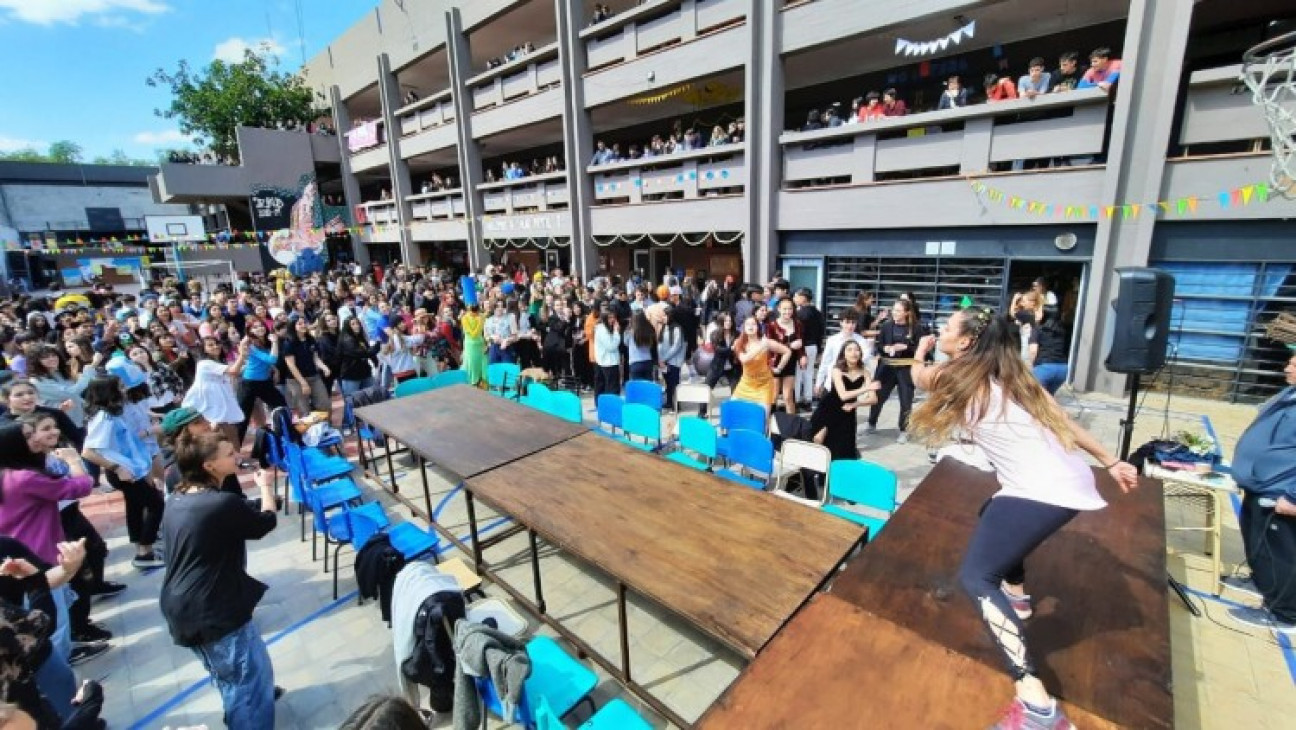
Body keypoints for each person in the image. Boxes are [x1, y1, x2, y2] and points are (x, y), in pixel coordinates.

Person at [908, 306, 1138, 730]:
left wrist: (920, 352)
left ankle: (1036, 702)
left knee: (976, 578)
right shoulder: (1017, 376)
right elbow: (1063, 420)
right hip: (1068, 483)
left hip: (1040, 490)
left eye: (947, 329)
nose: (940, 330)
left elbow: (918, 376)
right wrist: (1110, 459)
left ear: (966, 343)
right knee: (991, 510)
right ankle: (1016, 593)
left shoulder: (955, 376)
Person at [160, 430, 280, 728]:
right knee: (246, 682)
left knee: (234, 676)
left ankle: (248, 706)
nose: (236, 457)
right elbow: (265, 522)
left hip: (186, 605)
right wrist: (265, 487)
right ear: (209, 466)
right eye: (228, 455)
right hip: (212, 610)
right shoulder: (220, 503)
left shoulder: (178, 498)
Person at [1225, 353, 1296, 635]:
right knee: (1256, 539)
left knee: (1281, 552)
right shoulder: (1290, 393)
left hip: (1282, 492)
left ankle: (1285, 612)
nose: (1286, 367)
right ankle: (1263, 581)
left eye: (1294, 364)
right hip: (1261, 486)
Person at [81, 376, 166, 570]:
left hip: (131, 468)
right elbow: (88, 451)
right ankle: (145, 551)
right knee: (156, 504)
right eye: (119, 386)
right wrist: (117, 468)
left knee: (135, 506)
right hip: (123, 471)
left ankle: (142, 548)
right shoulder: (104, 418)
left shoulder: (112, 414)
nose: (124, 389)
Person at [810, 340, 876, 468]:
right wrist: (866, 389)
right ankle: (819, 476)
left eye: (856, 349)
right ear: (843, 354)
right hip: (829, 409)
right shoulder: (837, 370)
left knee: (843, 448)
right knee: (821, 443)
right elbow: (843, 395)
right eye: (849, 350)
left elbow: (874, 399)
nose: (853, 353)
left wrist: (855, 404)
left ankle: (838, 480)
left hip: (847, 412)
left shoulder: (865, 372)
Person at [868, 299, 923, 443]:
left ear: (907, 312)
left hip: (905, 368)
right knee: (878, 397)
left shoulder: (916, 328)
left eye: (898, 310)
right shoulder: (886, 326)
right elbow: (879, 345)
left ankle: (904, 430)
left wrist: (905, 348)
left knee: (906, 400)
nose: (895, 313)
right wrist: (884, 348)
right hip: (886, 367)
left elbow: (922, 350)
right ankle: (871, 423)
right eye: (894, 310)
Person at [184, 336, 249, 448]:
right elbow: (233, 371)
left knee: (231, 432)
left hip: (220, 402)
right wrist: (242, 355)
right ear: (204, 349)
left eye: (216, 343)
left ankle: (237, 460)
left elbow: (235, 372)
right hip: (209, 403)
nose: (215, 346)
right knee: (216, 434)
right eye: (210, 345)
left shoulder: (218, 362)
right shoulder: (204, 363)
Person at [234, 322, 288, 446]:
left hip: (265, 382)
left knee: (281, 407)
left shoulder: (266, 341)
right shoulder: (250, 345)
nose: (260, 328)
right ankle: (235, 453)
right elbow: (272, 359)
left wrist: (275, 369)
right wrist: (275, 342)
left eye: (261, 326)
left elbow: (270, 361)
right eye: (255, 327)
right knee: (242, 419)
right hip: (249, 384)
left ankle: (284, 439)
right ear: (250, 331)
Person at [731, 316, 791, 412]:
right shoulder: (739, 343)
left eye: (753, 324)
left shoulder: (766, 342)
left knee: (763, 417)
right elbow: (744, 359)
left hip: (764, 384)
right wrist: (761, 346)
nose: (751, 327)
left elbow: (787, 351)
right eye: (748, 324)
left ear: (758, 327)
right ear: (744, 328)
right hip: (746, 383)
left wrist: (779, 368)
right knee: (733, 409)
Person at [815, 307, 870, 400]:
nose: (850, 326)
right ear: (841, 323)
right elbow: (825, 362)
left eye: (853, 323)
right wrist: (818, 383)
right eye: (847, 322)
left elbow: (865, 358)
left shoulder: (861, 341)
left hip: (850, 385)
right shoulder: (832, 340)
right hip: (831, 384)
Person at [767, 298, 804, 414]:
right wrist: (789, 345)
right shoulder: (772, 325)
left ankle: (791, 426)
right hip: (776, 362)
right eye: (784, 309)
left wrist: (802, 356)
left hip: (791, 363)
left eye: (790, 309)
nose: (787, 312)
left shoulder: (797, 324)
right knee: (773, 396)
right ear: (779, 309)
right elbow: (770, 346)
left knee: (788, 396)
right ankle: (769, 422)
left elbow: (800, 343)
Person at [1028, 307, 1070, 395]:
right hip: (1062, 369)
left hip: (1044, 368)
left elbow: (1033, 350)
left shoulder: (1037, 329)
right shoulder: (1062, 330)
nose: (1035, 314)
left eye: (1038, 312)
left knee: (1037, 398)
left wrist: (1031, 365)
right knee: (1049, 396)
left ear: (1044, 315)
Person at [593, 309, 622, 397]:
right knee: (611, 388)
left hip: (607, 362)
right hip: (608, 363)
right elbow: (611, 346)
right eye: (610, 318)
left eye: (613, 317)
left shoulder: (607, 328)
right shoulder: (602, 330)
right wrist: (617, 332)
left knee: (606, 387)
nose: (612, 320)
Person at [624, 310, 657, 383]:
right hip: (648, 361)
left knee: (638, 387)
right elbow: (654, 344)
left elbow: (626, 343)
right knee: (648, 386)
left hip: (635, 362)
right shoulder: (650, 329)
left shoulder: (629, 331)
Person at [459, 305, 487, 387]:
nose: (474, 313)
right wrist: (480, 322)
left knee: (482, 363)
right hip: (470, 346)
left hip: (480, 344)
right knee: (472, 364)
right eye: (472, 311)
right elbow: (473, 334)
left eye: (476, 311)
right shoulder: (465, 318)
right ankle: (472, 383)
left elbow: (484, 331)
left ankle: (481, 382)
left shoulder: (481, 316)